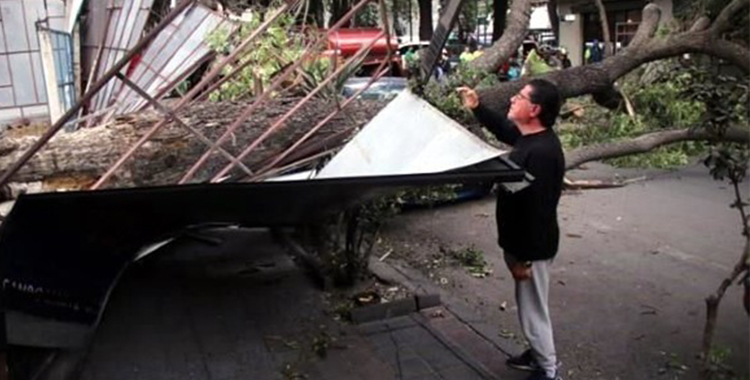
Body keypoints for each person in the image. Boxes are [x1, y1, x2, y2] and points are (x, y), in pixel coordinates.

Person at [457, 80, 565, 380]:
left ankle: (548, 368)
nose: (513, 100)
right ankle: (538, 353)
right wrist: (477, 107)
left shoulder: (542, 153)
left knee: (532, 311)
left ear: (535, 109)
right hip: (520, 245)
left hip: (532, 250)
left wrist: (524, 261)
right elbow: (505, 130)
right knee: (530, 304)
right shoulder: (529, 138)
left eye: (519, 97)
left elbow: (539, 212)